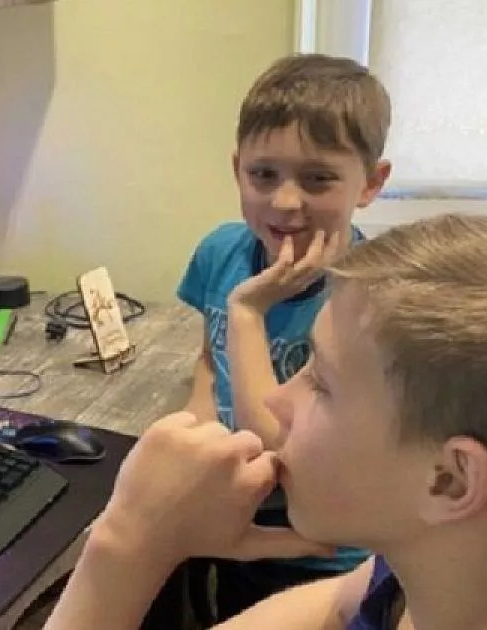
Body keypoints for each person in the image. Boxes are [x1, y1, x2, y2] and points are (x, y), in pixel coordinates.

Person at [46, 214, 487, 629]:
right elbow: (335, 603)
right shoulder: (424, 575)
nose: (277, 399)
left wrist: (128, 544)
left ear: (449, 480)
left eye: (320, 382)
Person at [177, 52, 393, 621]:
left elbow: (283, 451)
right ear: (237, 170)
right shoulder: (220, 253)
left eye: (318, 178)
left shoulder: (369, 300)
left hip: (321, 555)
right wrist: (198, 423)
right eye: (263, 175)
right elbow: (210, 356)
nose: (285, 201)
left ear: (371, 183)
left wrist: (249, 312)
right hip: (234, 522)